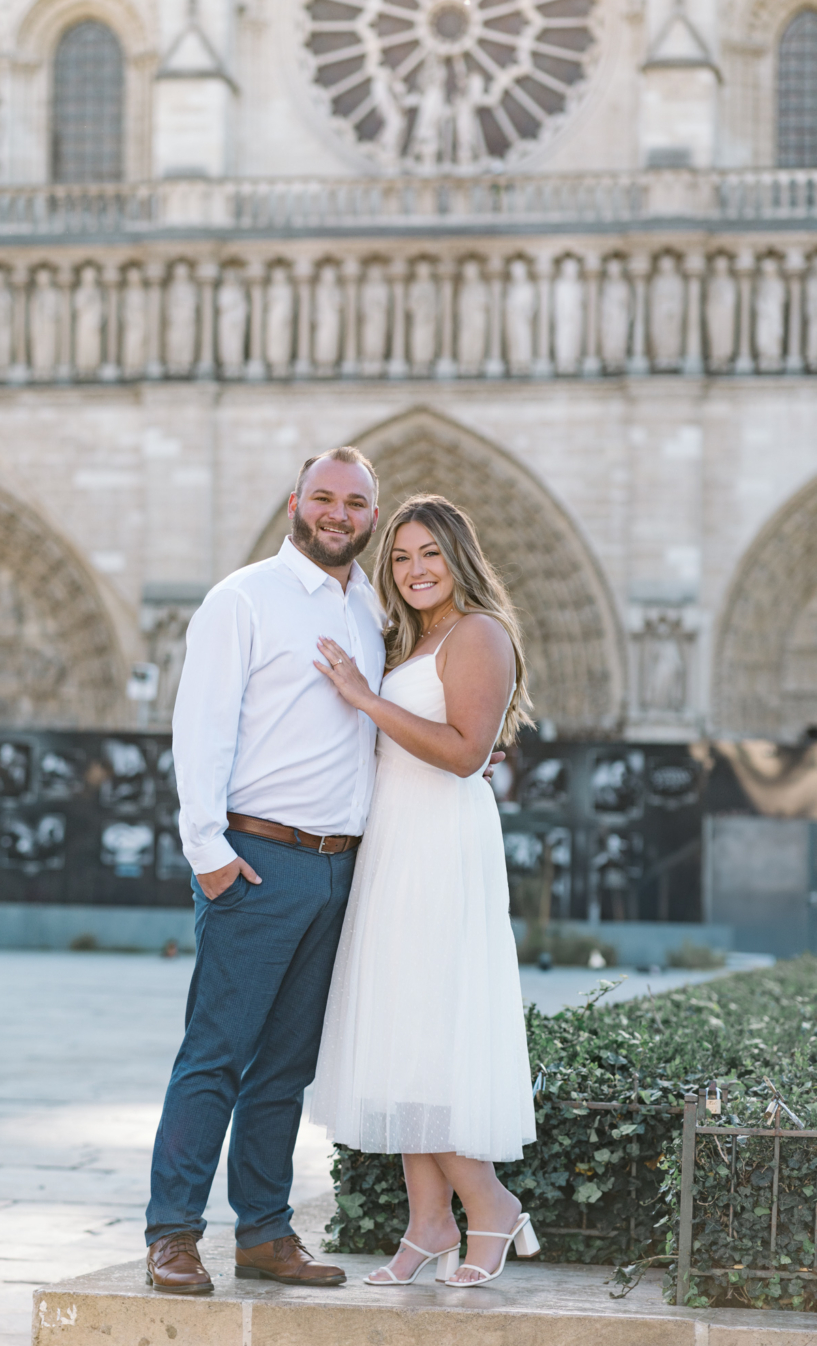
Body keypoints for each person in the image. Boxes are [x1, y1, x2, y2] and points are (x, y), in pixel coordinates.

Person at [143, 447, 386, 1293]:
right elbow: (199, 727)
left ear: (371, 518)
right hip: (256, 861)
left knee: (285, 1067)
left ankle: (264, 1233)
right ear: (294, 503)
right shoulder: (242, 598)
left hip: (336, 871)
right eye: (323, 497)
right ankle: (172, 1234)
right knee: (215, 1055)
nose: (337, 514)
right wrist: (209, 855)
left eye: (354, 503)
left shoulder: (370, 612)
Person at [309, 493, 538, 1289]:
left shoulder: (478, 633)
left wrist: (365, 700)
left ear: (458, 559)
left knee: (429, 1026)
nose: (412, 571)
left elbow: (467, 752)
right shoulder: (415, 640)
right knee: (404, 1026)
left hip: (441, 844)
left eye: (428, 555)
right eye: (399, 557)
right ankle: (428, 1221)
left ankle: (490, 1203)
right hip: (396, 841)